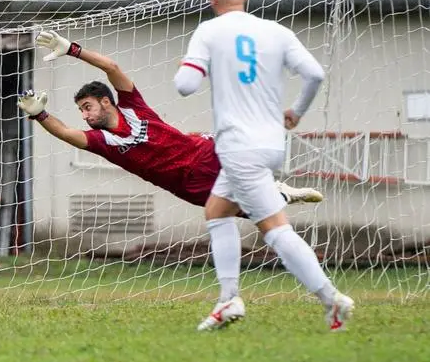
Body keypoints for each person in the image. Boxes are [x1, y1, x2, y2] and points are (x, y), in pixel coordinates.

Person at [16, 30, 323, 244]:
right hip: (186, 184)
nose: (84, 115)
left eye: (87, 107)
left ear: (105, 101)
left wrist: (71, 49)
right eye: (81, 111)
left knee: (241, 140)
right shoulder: (103, 143)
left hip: (202, 151)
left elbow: (111, 67)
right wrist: (38, 114)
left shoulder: (133, 106)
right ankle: (279, 196)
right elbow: (65, 132)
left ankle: (273, 172)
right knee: (252, 212)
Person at [174, 0, 353, 332]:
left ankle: (331, 298)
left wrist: (195, 67)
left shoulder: (209, 30)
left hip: (238, 146)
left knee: (274, 228)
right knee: (217, 211)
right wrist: (296, 112)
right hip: (271, 143)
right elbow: (315, 74)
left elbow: (185, 86)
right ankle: (227, 299)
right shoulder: (277, 31)